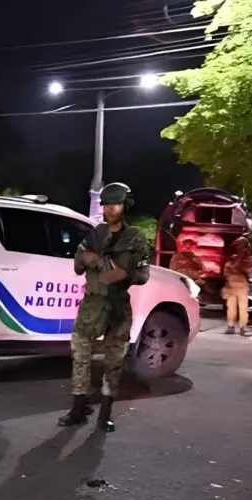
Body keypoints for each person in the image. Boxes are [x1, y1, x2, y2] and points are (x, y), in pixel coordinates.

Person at [59, 182, 149, 433]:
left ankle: (106, 414)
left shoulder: (135, 238)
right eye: (106, 204)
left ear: (125, 206)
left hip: (118, 303)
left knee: (114, 360)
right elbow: (77, 266)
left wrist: (109, 267)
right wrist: (86, 259)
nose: (110, 209)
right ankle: (78, 408)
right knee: (80, 353)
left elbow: (143, 276)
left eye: (116, 204)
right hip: (92, 304)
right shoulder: (95, 234)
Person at [222, 236, 252, 336]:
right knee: (233, 307)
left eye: (240, 245)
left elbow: (251, 272)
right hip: (233, 286)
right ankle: (234, 327)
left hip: (239, 285)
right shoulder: (236, 258)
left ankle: (240, 327)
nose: (239, 247)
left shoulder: (247, 259)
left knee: (241, 307)